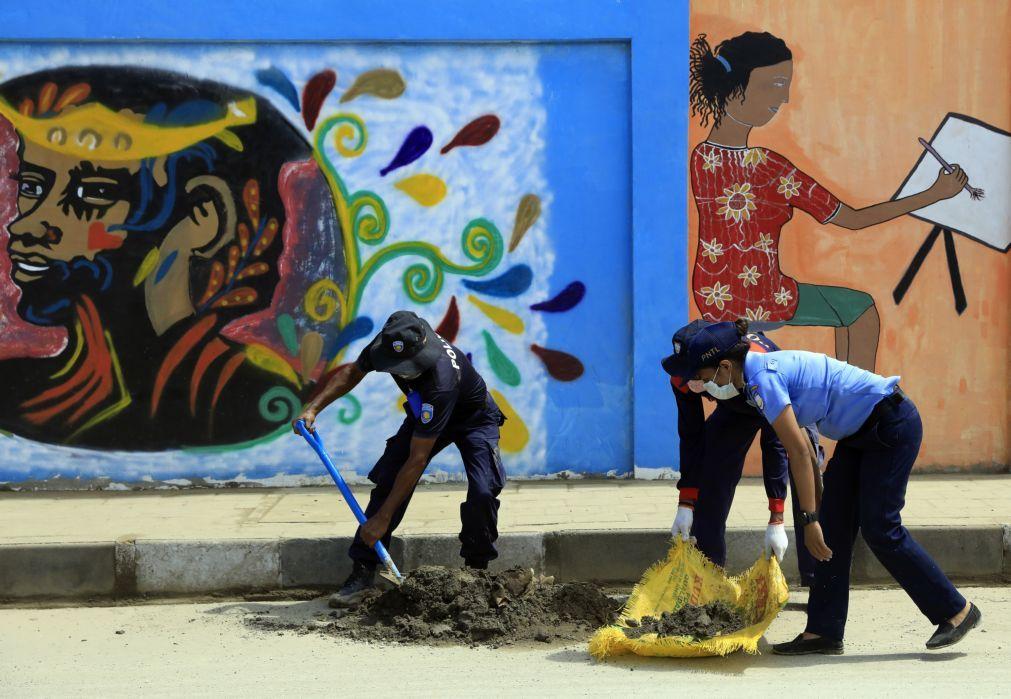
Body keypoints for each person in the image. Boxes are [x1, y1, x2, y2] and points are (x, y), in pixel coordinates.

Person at [675, 318, 981, 654]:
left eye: (704, 379)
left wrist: (806, 520)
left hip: (891, 426)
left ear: (723, 366)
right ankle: (823, 631)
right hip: (859, 435)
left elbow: (797, 452)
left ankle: (956, 610)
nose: (704, 389)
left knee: (881, 528)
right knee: (833, 527)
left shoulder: (763, 379)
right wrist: (816, 516)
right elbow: (805, 449)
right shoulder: (752, 378)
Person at [687, 31, 968, 370]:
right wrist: (932, 195)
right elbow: (853, 219)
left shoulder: (701, 156)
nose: (785, 98)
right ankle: (856, 409)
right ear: (735, 92)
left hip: (712, 295)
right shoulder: (768, 167)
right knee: (861, 309)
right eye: (775, 85)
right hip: (762, 297)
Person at [295, 310, 506, 604]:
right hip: (426, 415)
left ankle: (475, 572)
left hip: (474, 418)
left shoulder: (440, 380)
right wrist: (313, 408)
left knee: (483, 490)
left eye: (409, 368)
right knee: (389, 479)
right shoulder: (390, 342)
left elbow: (417, 461)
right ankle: (363, 570)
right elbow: (352, 373)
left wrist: (382, 519)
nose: (404, 372)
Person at [662, 319, 822, 586]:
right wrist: (686, 501)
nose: (690, 381)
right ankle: (708, 577)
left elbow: (777, 446)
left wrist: (776, 518)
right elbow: (691, 437)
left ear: (721, 364)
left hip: (784, 404)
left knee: (807, 471)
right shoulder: (683, 377)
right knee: (712, 470)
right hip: (735, 408)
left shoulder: (758, 368)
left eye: (695, 373)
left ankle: (819, 580)